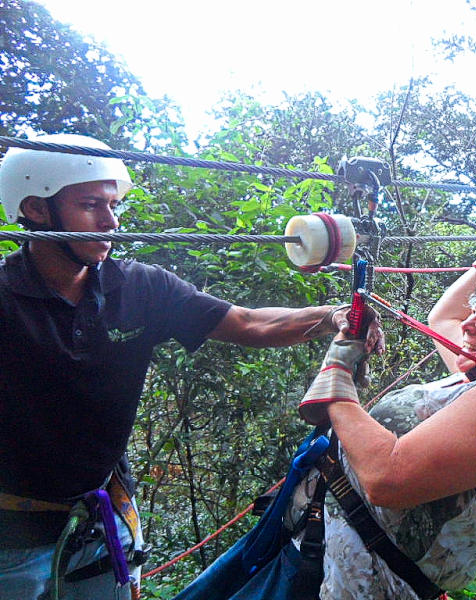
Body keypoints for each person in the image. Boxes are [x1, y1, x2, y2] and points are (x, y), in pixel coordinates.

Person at [0, 133, 382, 600]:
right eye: (90, 205)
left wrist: (332, 316)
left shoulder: (139, 288)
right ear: (36, 210)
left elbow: (247, 323)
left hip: (98, 523)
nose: (111, 221)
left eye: (113, 204)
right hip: (9, 539)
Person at [291, 224, 476, 599]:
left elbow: (385, 477)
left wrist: (337, 374)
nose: (467, 325)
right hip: (328, 564)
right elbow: (443, 318)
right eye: (472, 314)